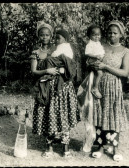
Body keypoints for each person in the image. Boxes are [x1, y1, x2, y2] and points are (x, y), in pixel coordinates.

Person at [77, 20, 129, 162]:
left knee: (113, 114)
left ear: (121, 34)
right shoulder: (101, 47)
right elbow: (89, 61)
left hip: (114, 85)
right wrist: (92, 65)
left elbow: (125, 72)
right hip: (99, 84)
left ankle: (114, 148)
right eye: (109, 32)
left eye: (115, 33)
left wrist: (106, 67)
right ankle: (100, 146)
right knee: (100, 114)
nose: (112, 35)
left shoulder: (125, 51)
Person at [30, 21, 79, 158]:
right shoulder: (36, 52)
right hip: (46, 86)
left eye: (47, 35)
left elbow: (69, 64)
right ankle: (49, 147)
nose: (44, 37)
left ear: (51, 36)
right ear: (38, 36)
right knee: (48, 114)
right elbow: (34, 71)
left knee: (62, 114)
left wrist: (63, 71)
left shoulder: (57, 48)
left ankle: (65, 147)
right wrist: (47, 70)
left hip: (62, 87)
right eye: (42, 35)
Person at [85, 25, 105, 99]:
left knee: (100, 73)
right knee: (100, 73)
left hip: (97, 59)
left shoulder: (98, 43)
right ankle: (95, 88)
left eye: (98, 35)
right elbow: (87, 53)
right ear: (89, 36)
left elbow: (101, 51)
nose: (97, 37)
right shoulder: (90, 44)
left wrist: (101, 56)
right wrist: (96, 56)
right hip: (92, 60)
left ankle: (97, 86)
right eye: (94, 35)